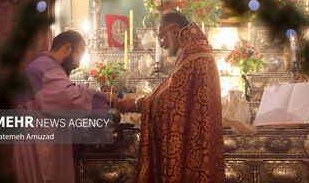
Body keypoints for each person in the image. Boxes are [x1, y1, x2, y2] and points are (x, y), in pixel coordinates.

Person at [117, 12, 226, 183]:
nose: (161, 43)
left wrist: (136, 103)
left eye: (162, 36)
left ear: (174, 31)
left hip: (192, 140)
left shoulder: (192, 53)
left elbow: (168, 102)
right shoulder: (196, 50)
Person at [13, 30, 117, 183]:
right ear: (67, 48)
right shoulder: (45, 66)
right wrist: (105, 98)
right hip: (41, 151)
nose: (78, 64)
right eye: (80, 54)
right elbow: (68, 97)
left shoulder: (42, 66)